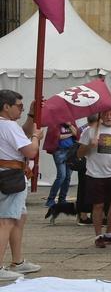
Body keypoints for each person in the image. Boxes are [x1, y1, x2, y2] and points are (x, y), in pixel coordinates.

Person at [0, 90, 43, 281]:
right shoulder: (8, 126)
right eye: (18, 106)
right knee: (7, 221)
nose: (21, 109)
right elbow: (30, 150)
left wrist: (32, 115)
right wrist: (36, 137)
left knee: (19, 217)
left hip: (7, 173)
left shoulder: (8, 126)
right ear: (6, 106)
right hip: (10, 175)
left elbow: (22, 134)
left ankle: (18, 261)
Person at [80, 108, 111, 248]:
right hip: (95, 174)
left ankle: (109, 233)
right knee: (98, 205)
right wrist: (90, 145)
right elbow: (79, 153)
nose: (109, 117)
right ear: (100, 115)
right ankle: (98, 236)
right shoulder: (89, 131)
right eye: (106, 114)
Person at [45, 119, 79, 212]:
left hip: (71, 151)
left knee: (67, 177)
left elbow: (77, 134)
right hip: (60, 151)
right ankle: (50, 199)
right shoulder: (55, 123)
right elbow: (57, 136)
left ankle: (62, 199)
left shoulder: (71, 122)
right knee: (61, 176)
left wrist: (70, 125)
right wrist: (71, 134)